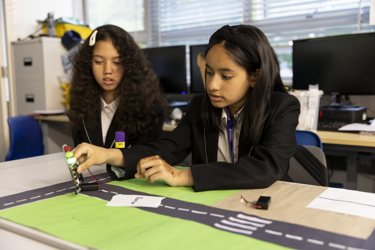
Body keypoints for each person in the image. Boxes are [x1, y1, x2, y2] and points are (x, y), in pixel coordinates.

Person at [73, 24, 300, 191]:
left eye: (226, 76)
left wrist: (184, 176)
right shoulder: (201, 106)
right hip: (211, 205)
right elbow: (167, 148)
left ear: (254, 77)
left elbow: (265, 168)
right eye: (209, 72)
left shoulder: (282, 107)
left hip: (268, 204)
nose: (212, 85)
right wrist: (108, 154)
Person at [68, 24, 168, 180]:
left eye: (117, 62)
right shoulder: (80, 105)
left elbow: (148, 158)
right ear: (88, 64)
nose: (108, 70)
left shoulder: (150, 108)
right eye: (99, 62)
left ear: (129, 65)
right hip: (92, 186)